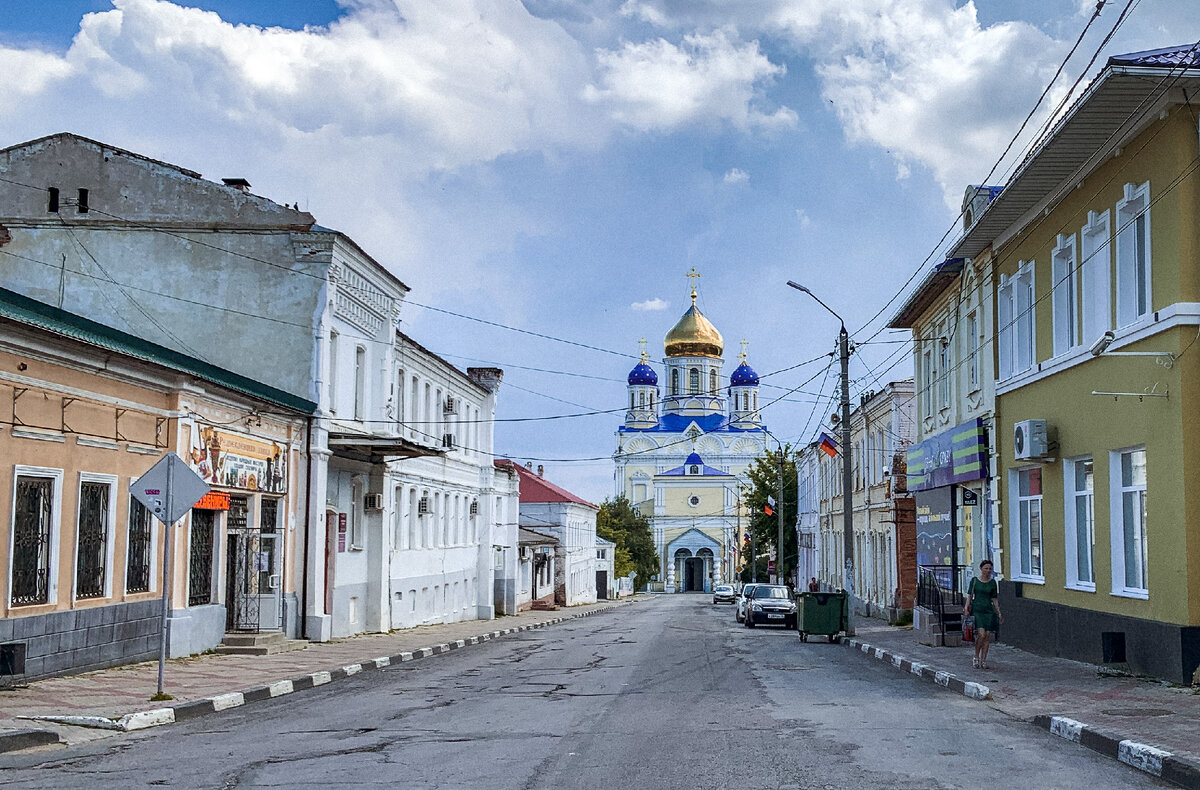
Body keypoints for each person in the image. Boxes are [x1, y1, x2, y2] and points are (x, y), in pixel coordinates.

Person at [963, 559, 1003, 669]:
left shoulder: (992, 582)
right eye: (986, 568)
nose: (988, 570)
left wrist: (999, 612)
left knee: (987, 636)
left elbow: (994, 599)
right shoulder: (975, 580)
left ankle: (984, 660)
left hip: (988, 611)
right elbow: (970, 596)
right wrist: (966, 608)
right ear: (981, 569)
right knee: (981, 634)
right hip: (977, 609)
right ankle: (976, 656)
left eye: (990, 568)